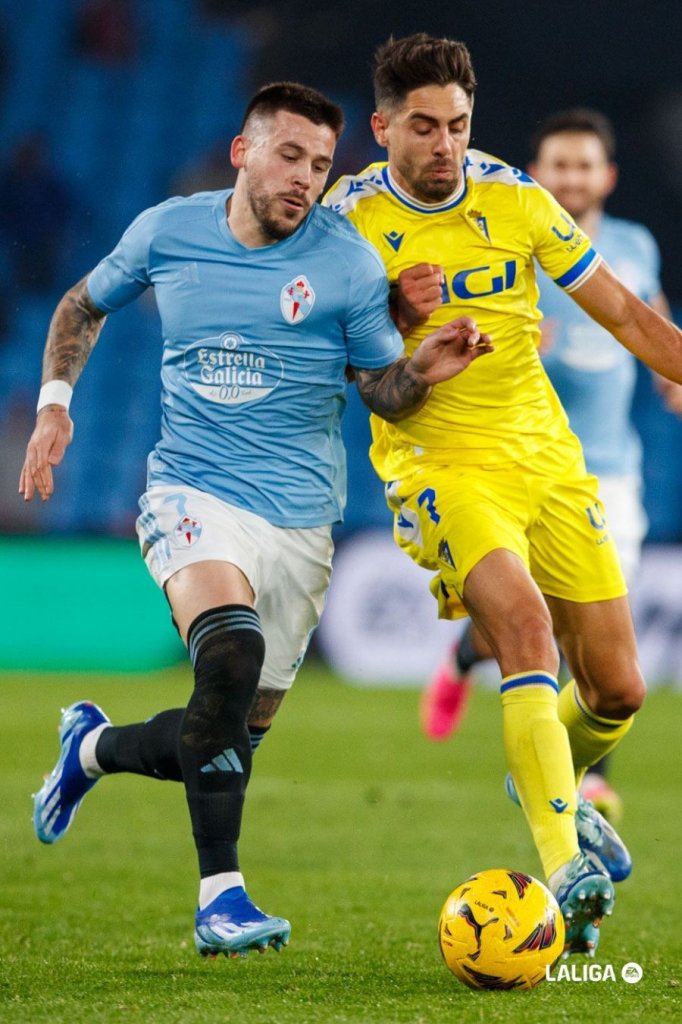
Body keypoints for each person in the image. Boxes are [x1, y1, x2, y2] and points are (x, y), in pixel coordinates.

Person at [22, 81, 492, 960]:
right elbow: (81, 304)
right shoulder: (168, 230)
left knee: (225, 735)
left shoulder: (348, 262)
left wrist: (421, 368)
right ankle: (222, 899)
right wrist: (55, 406)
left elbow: (382, 391)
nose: (305, 178)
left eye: (320, 164)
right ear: (243, 152)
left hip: (302, 523)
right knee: (229, 655)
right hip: (192, 493)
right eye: (289, 156)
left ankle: (93, 749)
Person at [324, 33, 682, 956]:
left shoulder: (516, 198)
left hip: (549, 461)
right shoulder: (347, 223)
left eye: (458, 124)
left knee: (618, 690)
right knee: (524, 629)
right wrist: (400, 330)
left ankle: (543, 774)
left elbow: (627, 313)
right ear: (382, 129)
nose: (445, 144)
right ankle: (565, 867)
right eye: (424, 127)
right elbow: (364, 386)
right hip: (440, 465)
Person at [421, 107, 682, 822]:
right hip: (517, 461)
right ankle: (463, 659)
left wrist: (670, 381)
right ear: (536, 176)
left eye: (584, 165)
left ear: (608, 176)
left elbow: (644, 313)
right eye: (559, 166)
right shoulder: (514, 244)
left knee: (597, 623)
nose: (571, 178)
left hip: (609, 468)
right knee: (524, 617)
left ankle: (585, 777)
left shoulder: (632, 245)